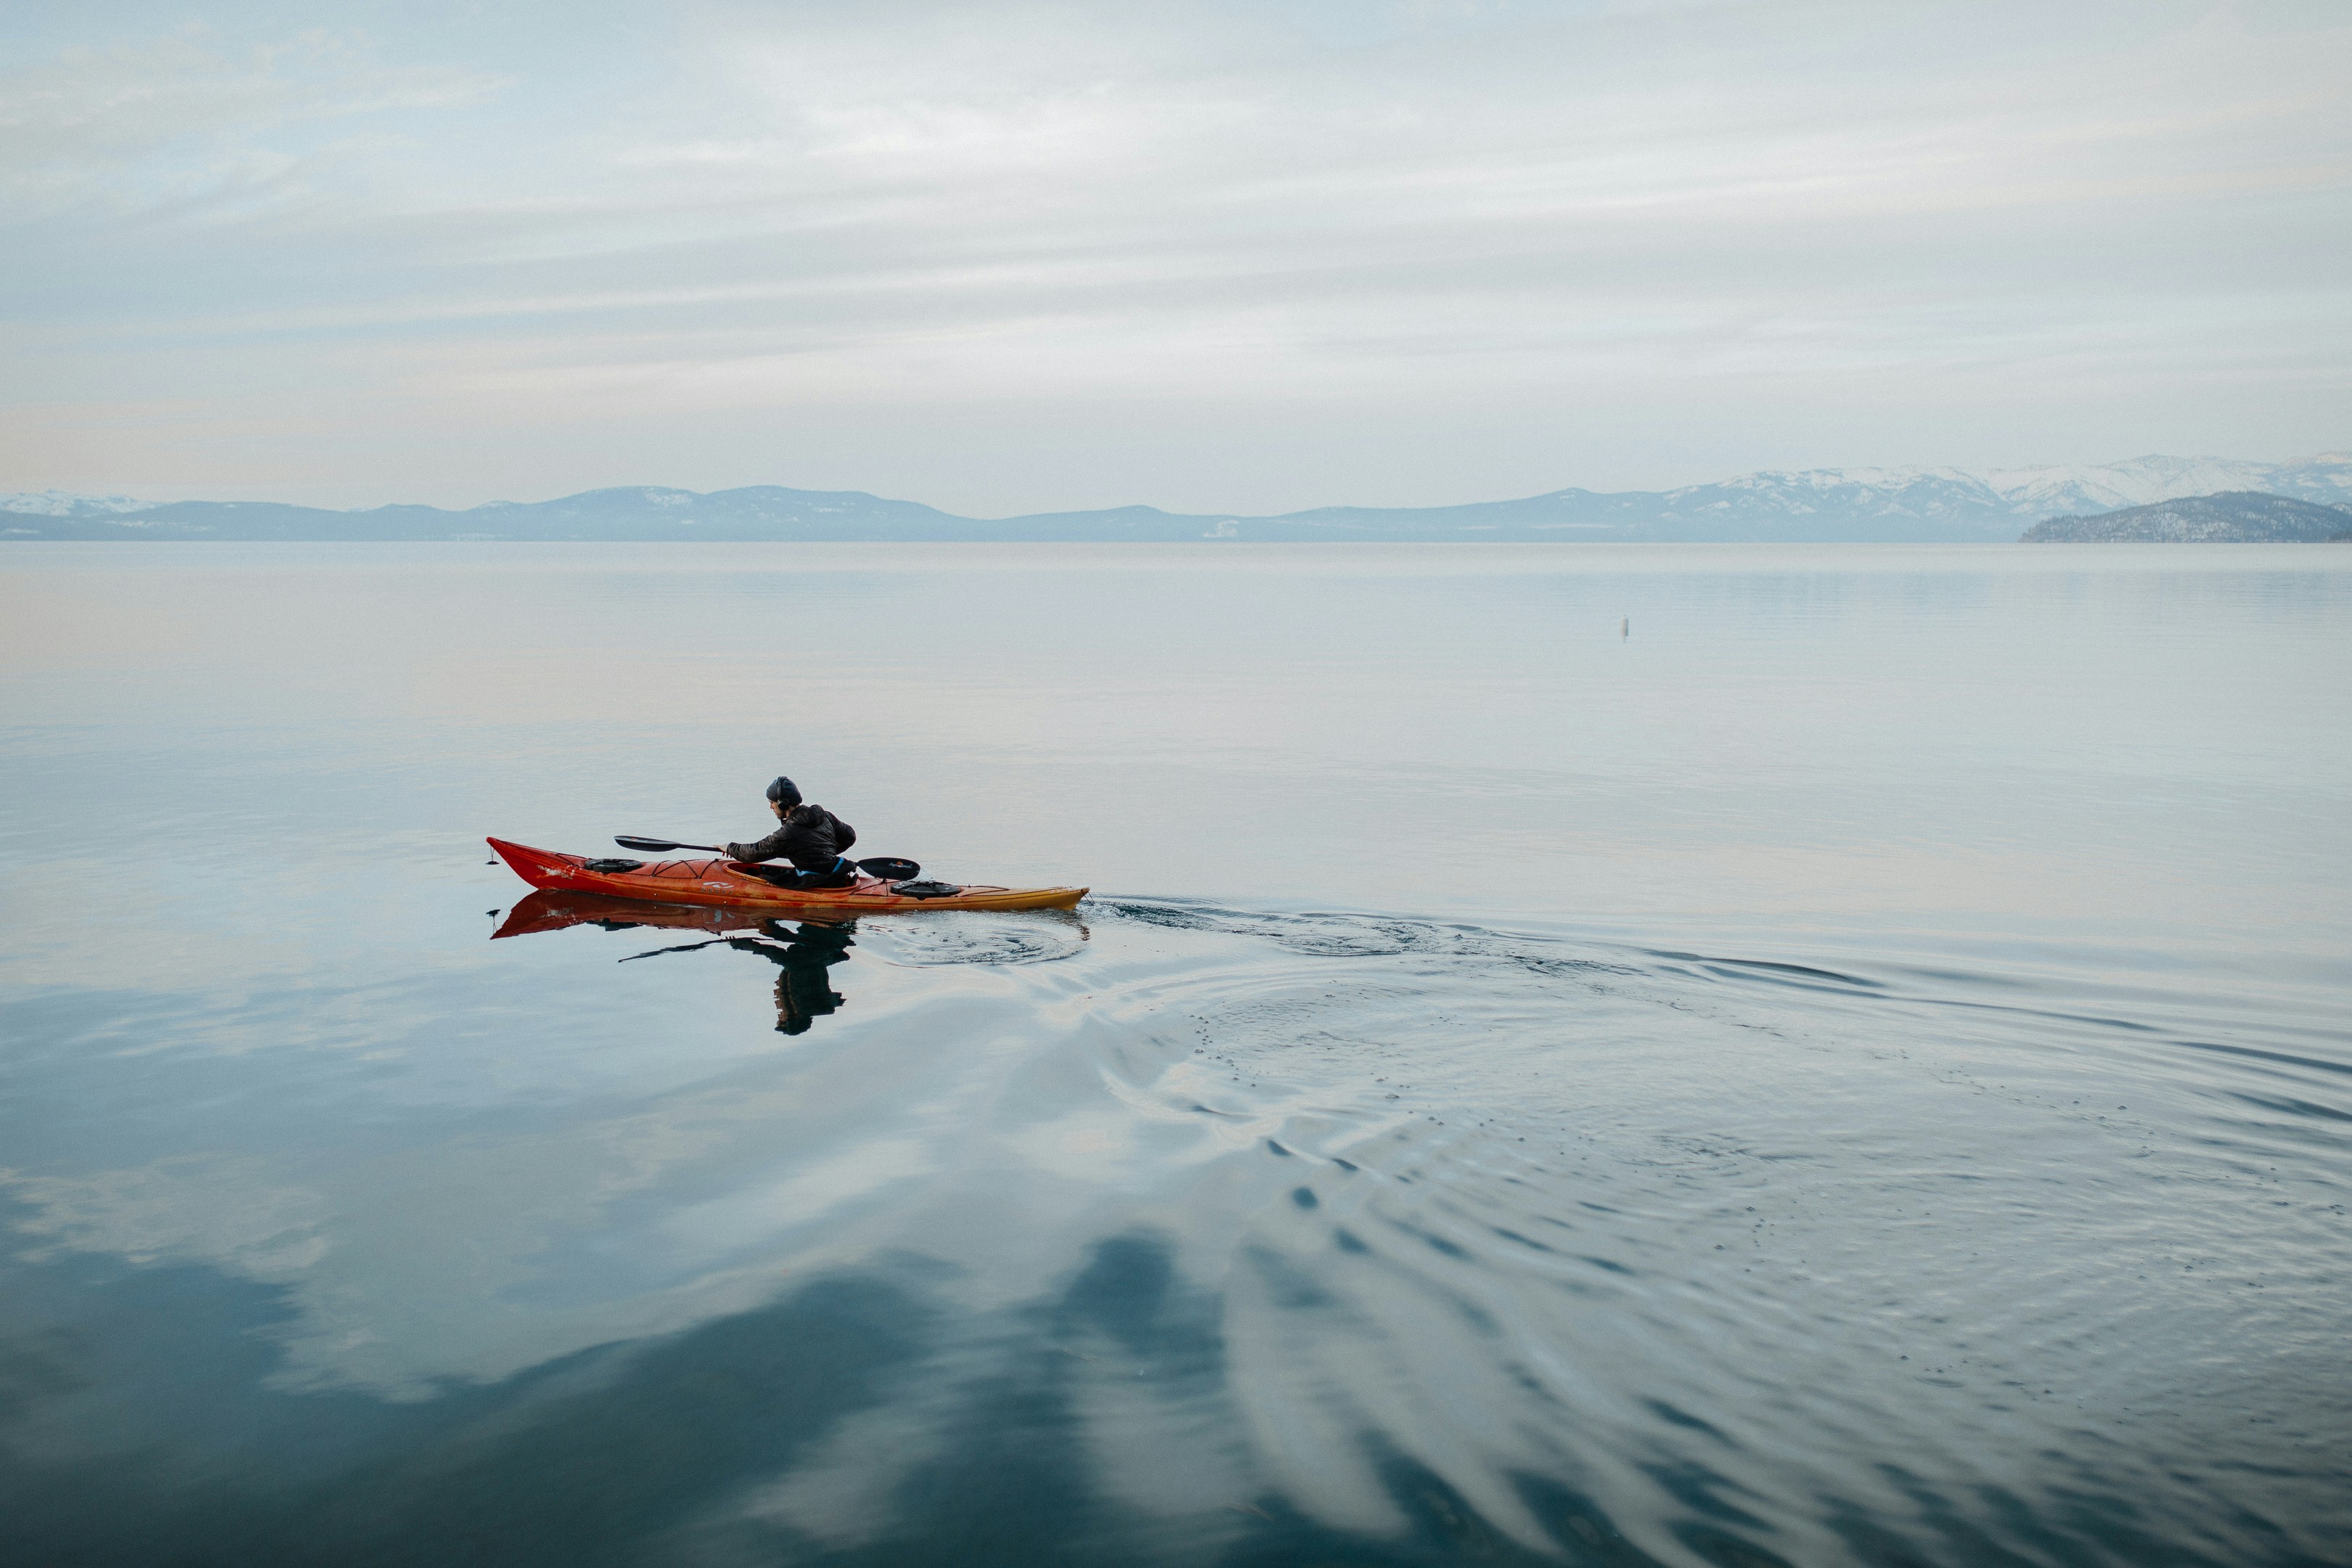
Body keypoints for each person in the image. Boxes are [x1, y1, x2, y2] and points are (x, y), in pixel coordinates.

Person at [723, 775, 860, 889]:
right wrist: (822, 853)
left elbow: (755, 852)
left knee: (762, 877)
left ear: (782, 804)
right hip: (835, 873)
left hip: (818, 881)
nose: (771, 807)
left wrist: (729, 848)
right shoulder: (826, 816)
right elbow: (850, 837)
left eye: (772, 802)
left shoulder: (789, 832)